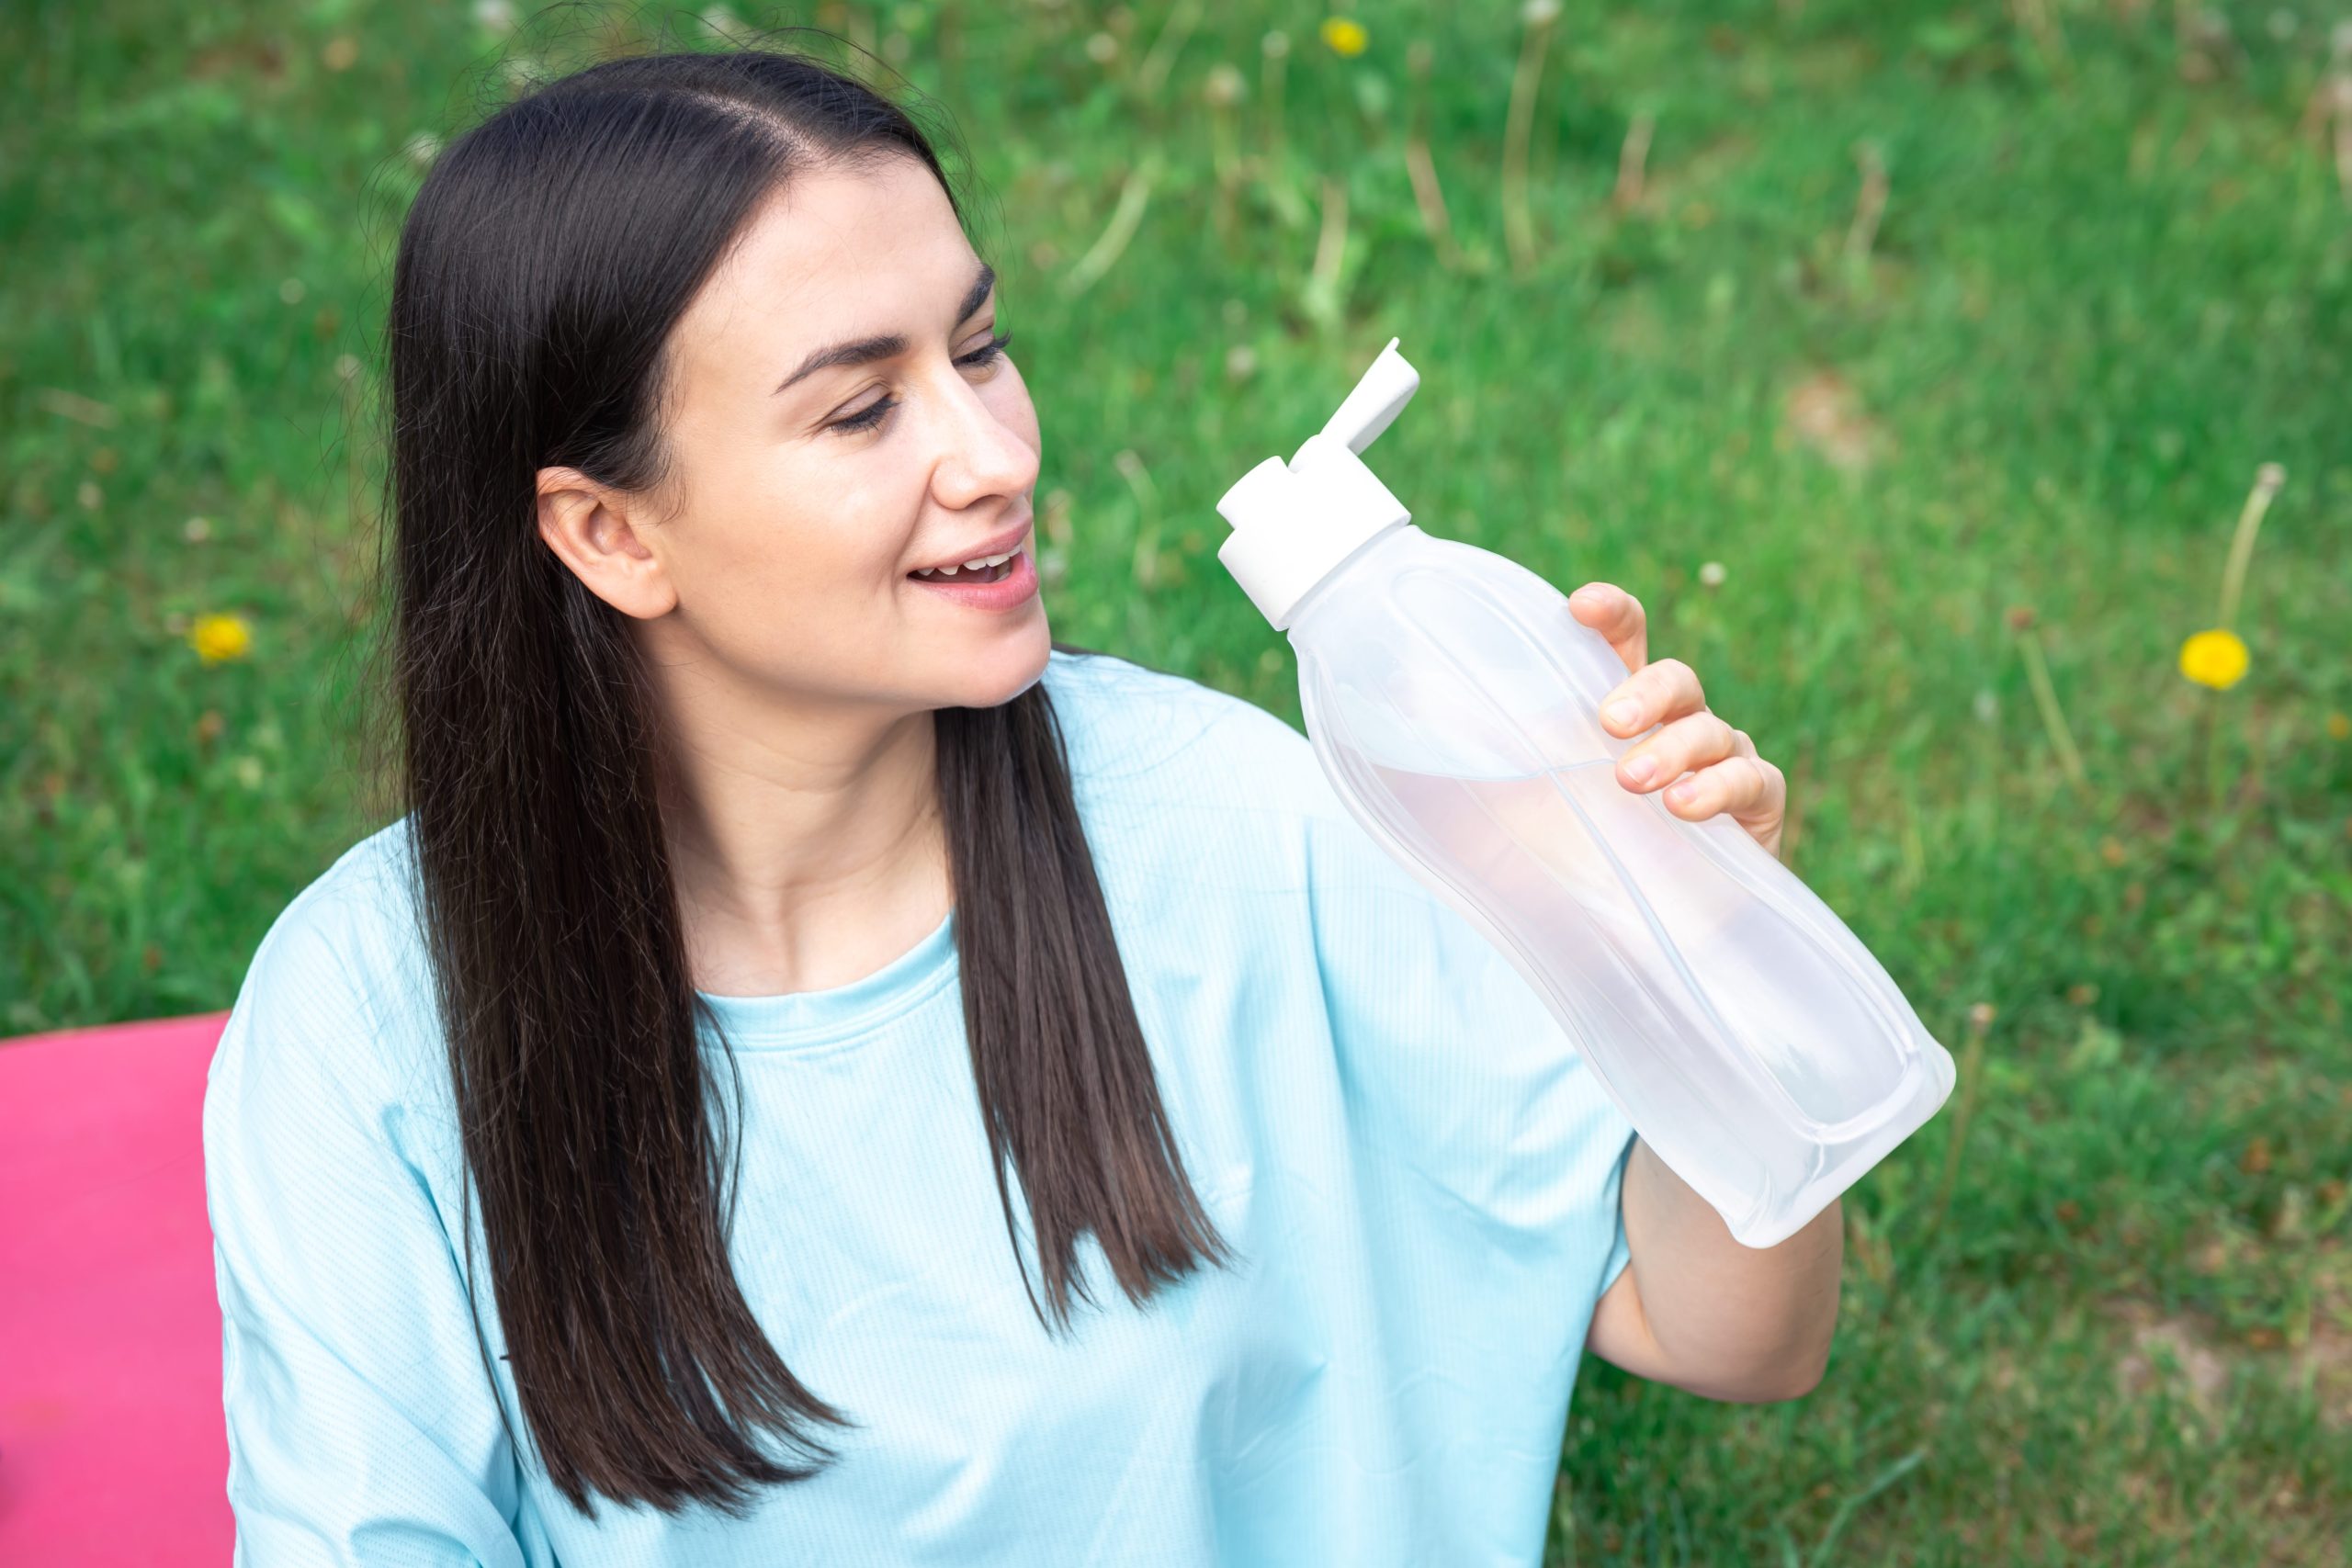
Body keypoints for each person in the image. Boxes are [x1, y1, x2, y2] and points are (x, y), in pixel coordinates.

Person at [201, 40, 1838, 1568]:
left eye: (978, 347)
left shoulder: (1228, 827)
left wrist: (1695, 937)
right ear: (611, 534)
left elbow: (1732, 1334)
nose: (992, 451)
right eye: (863, 407)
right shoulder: (370, 1022)